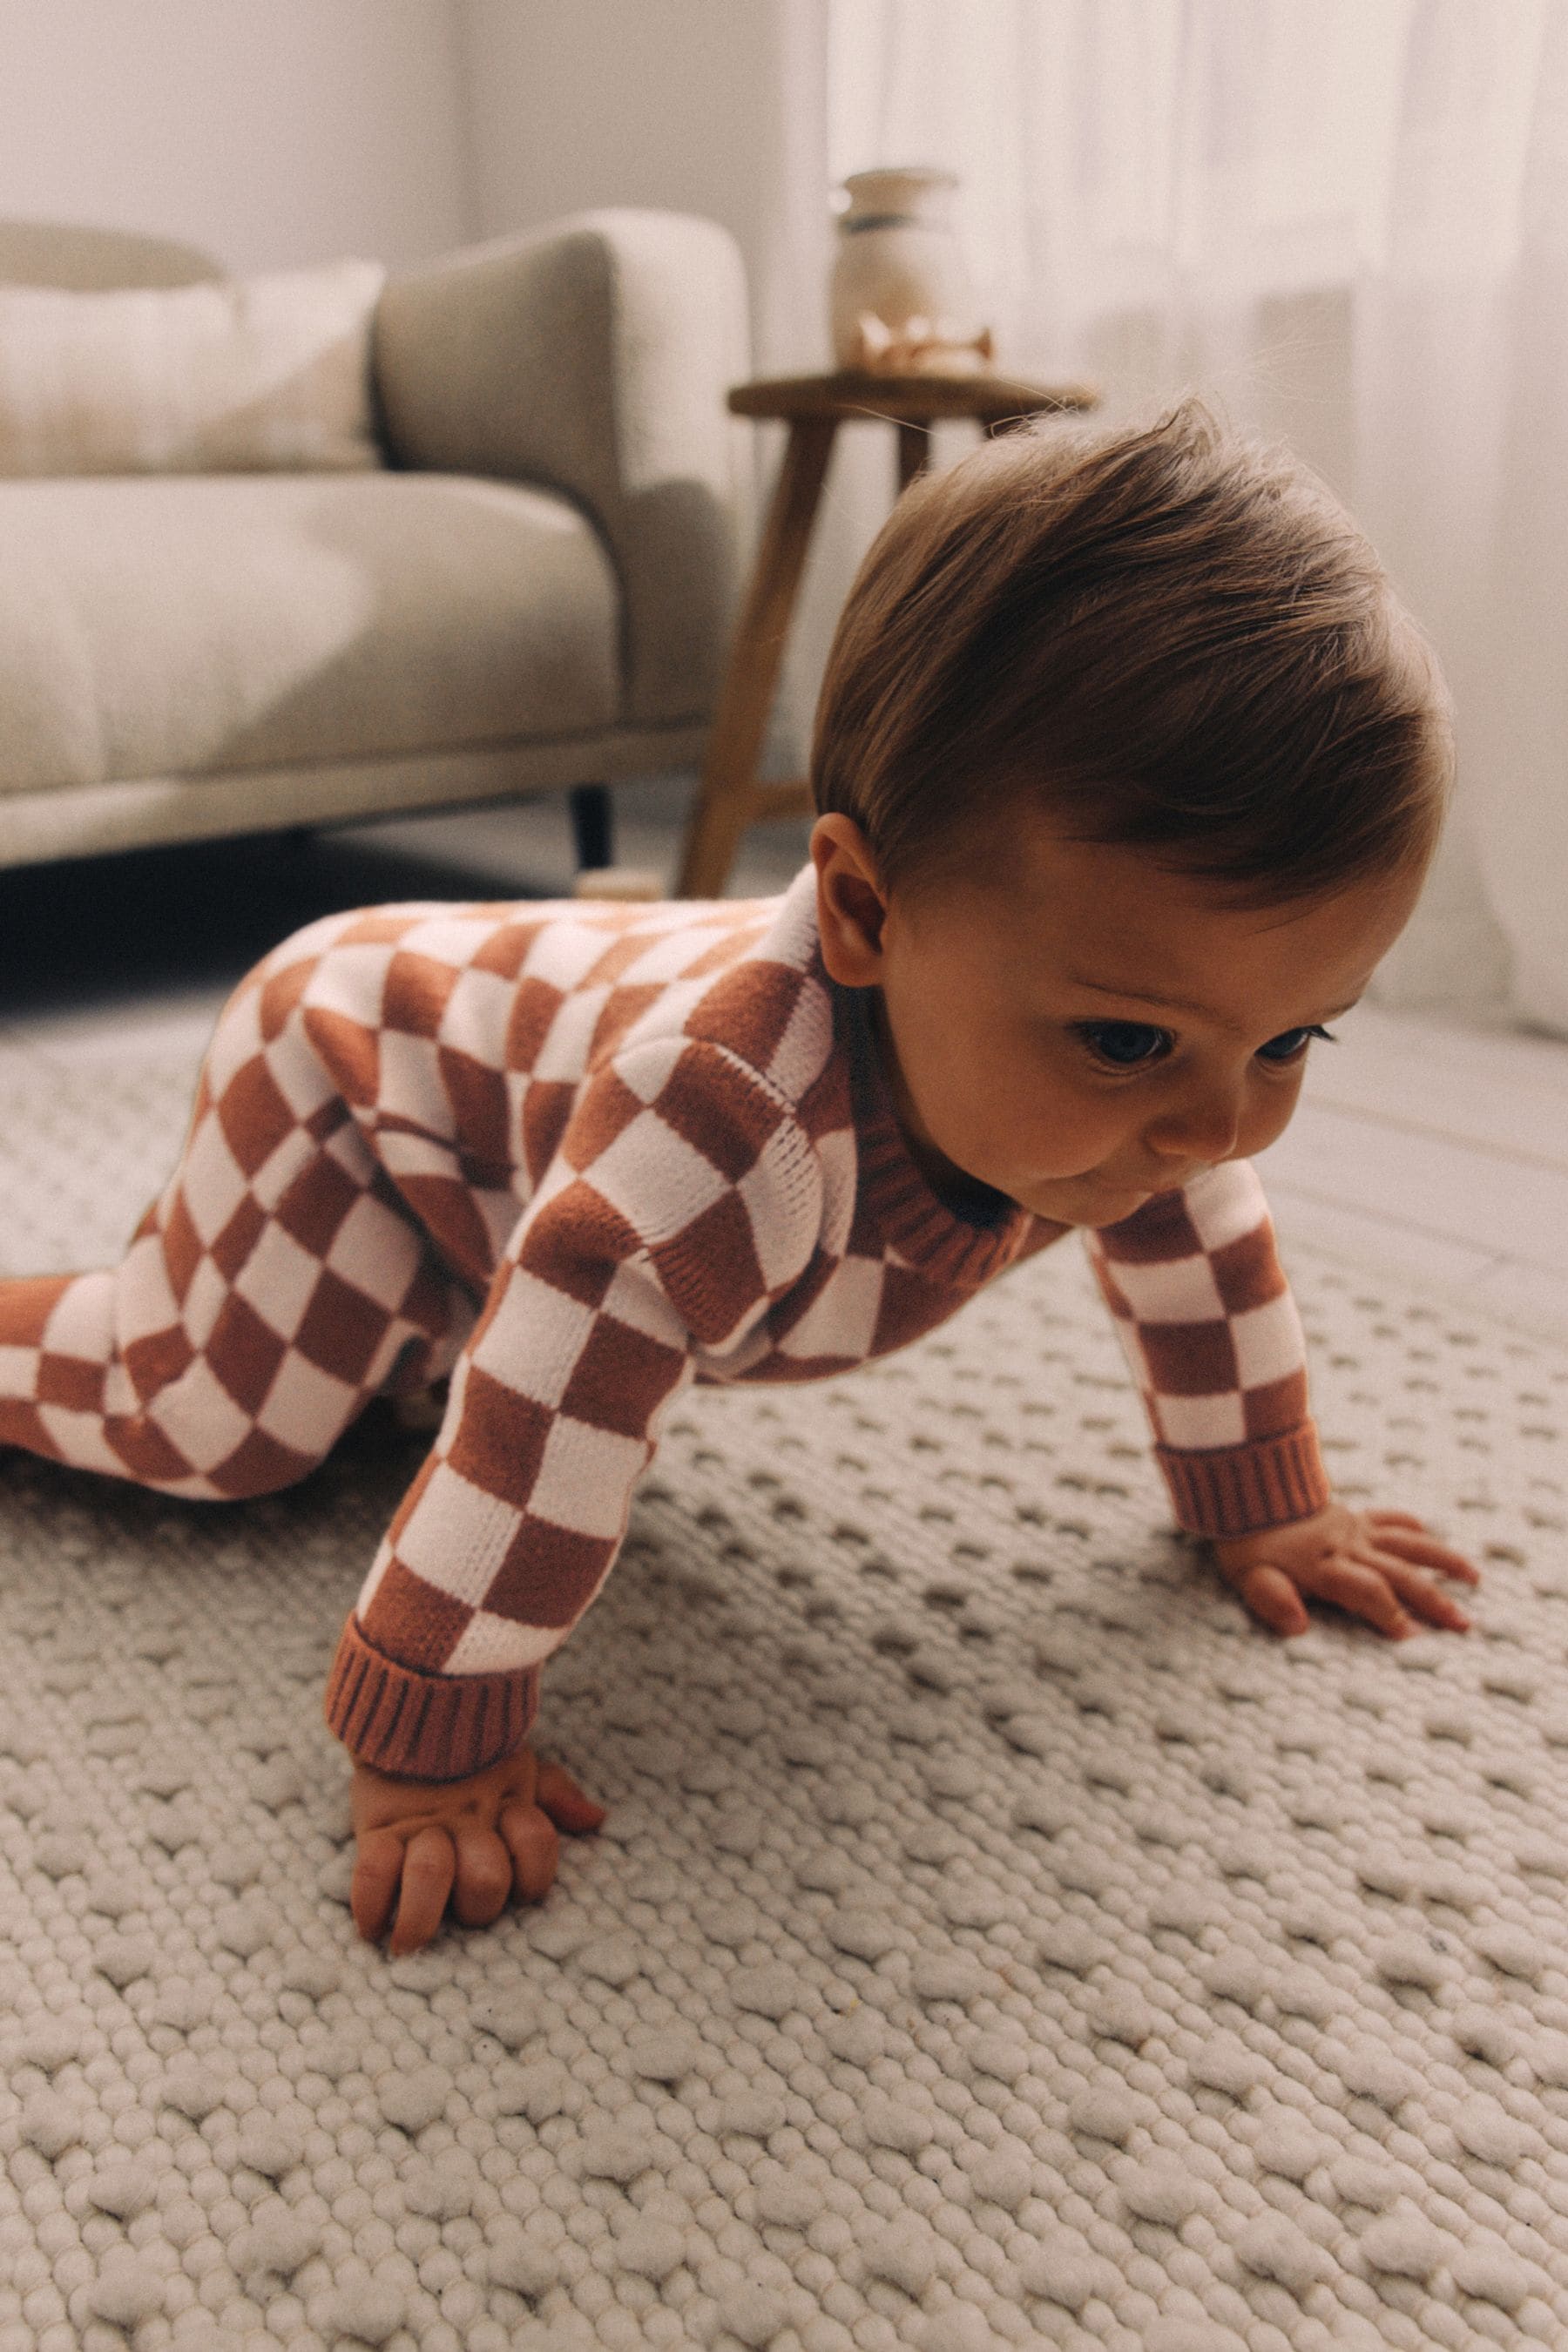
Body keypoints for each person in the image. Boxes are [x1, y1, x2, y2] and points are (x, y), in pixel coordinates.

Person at [0, 396, 1482, 1957]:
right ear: (861, 908)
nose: (1218, 1126)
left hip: (528, 1146)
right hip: (363, 1086)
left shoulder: (1141, 1098)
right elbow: (544, 1414)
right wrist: (433, 1743)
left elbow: (1204, 1241)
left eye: (1295, 1038)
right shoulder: (724, 1127)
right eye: (1131, 1040)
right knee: (216, 1425)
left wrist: (1264, 1502)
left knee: (410, 1378)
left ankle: (401, 1330)